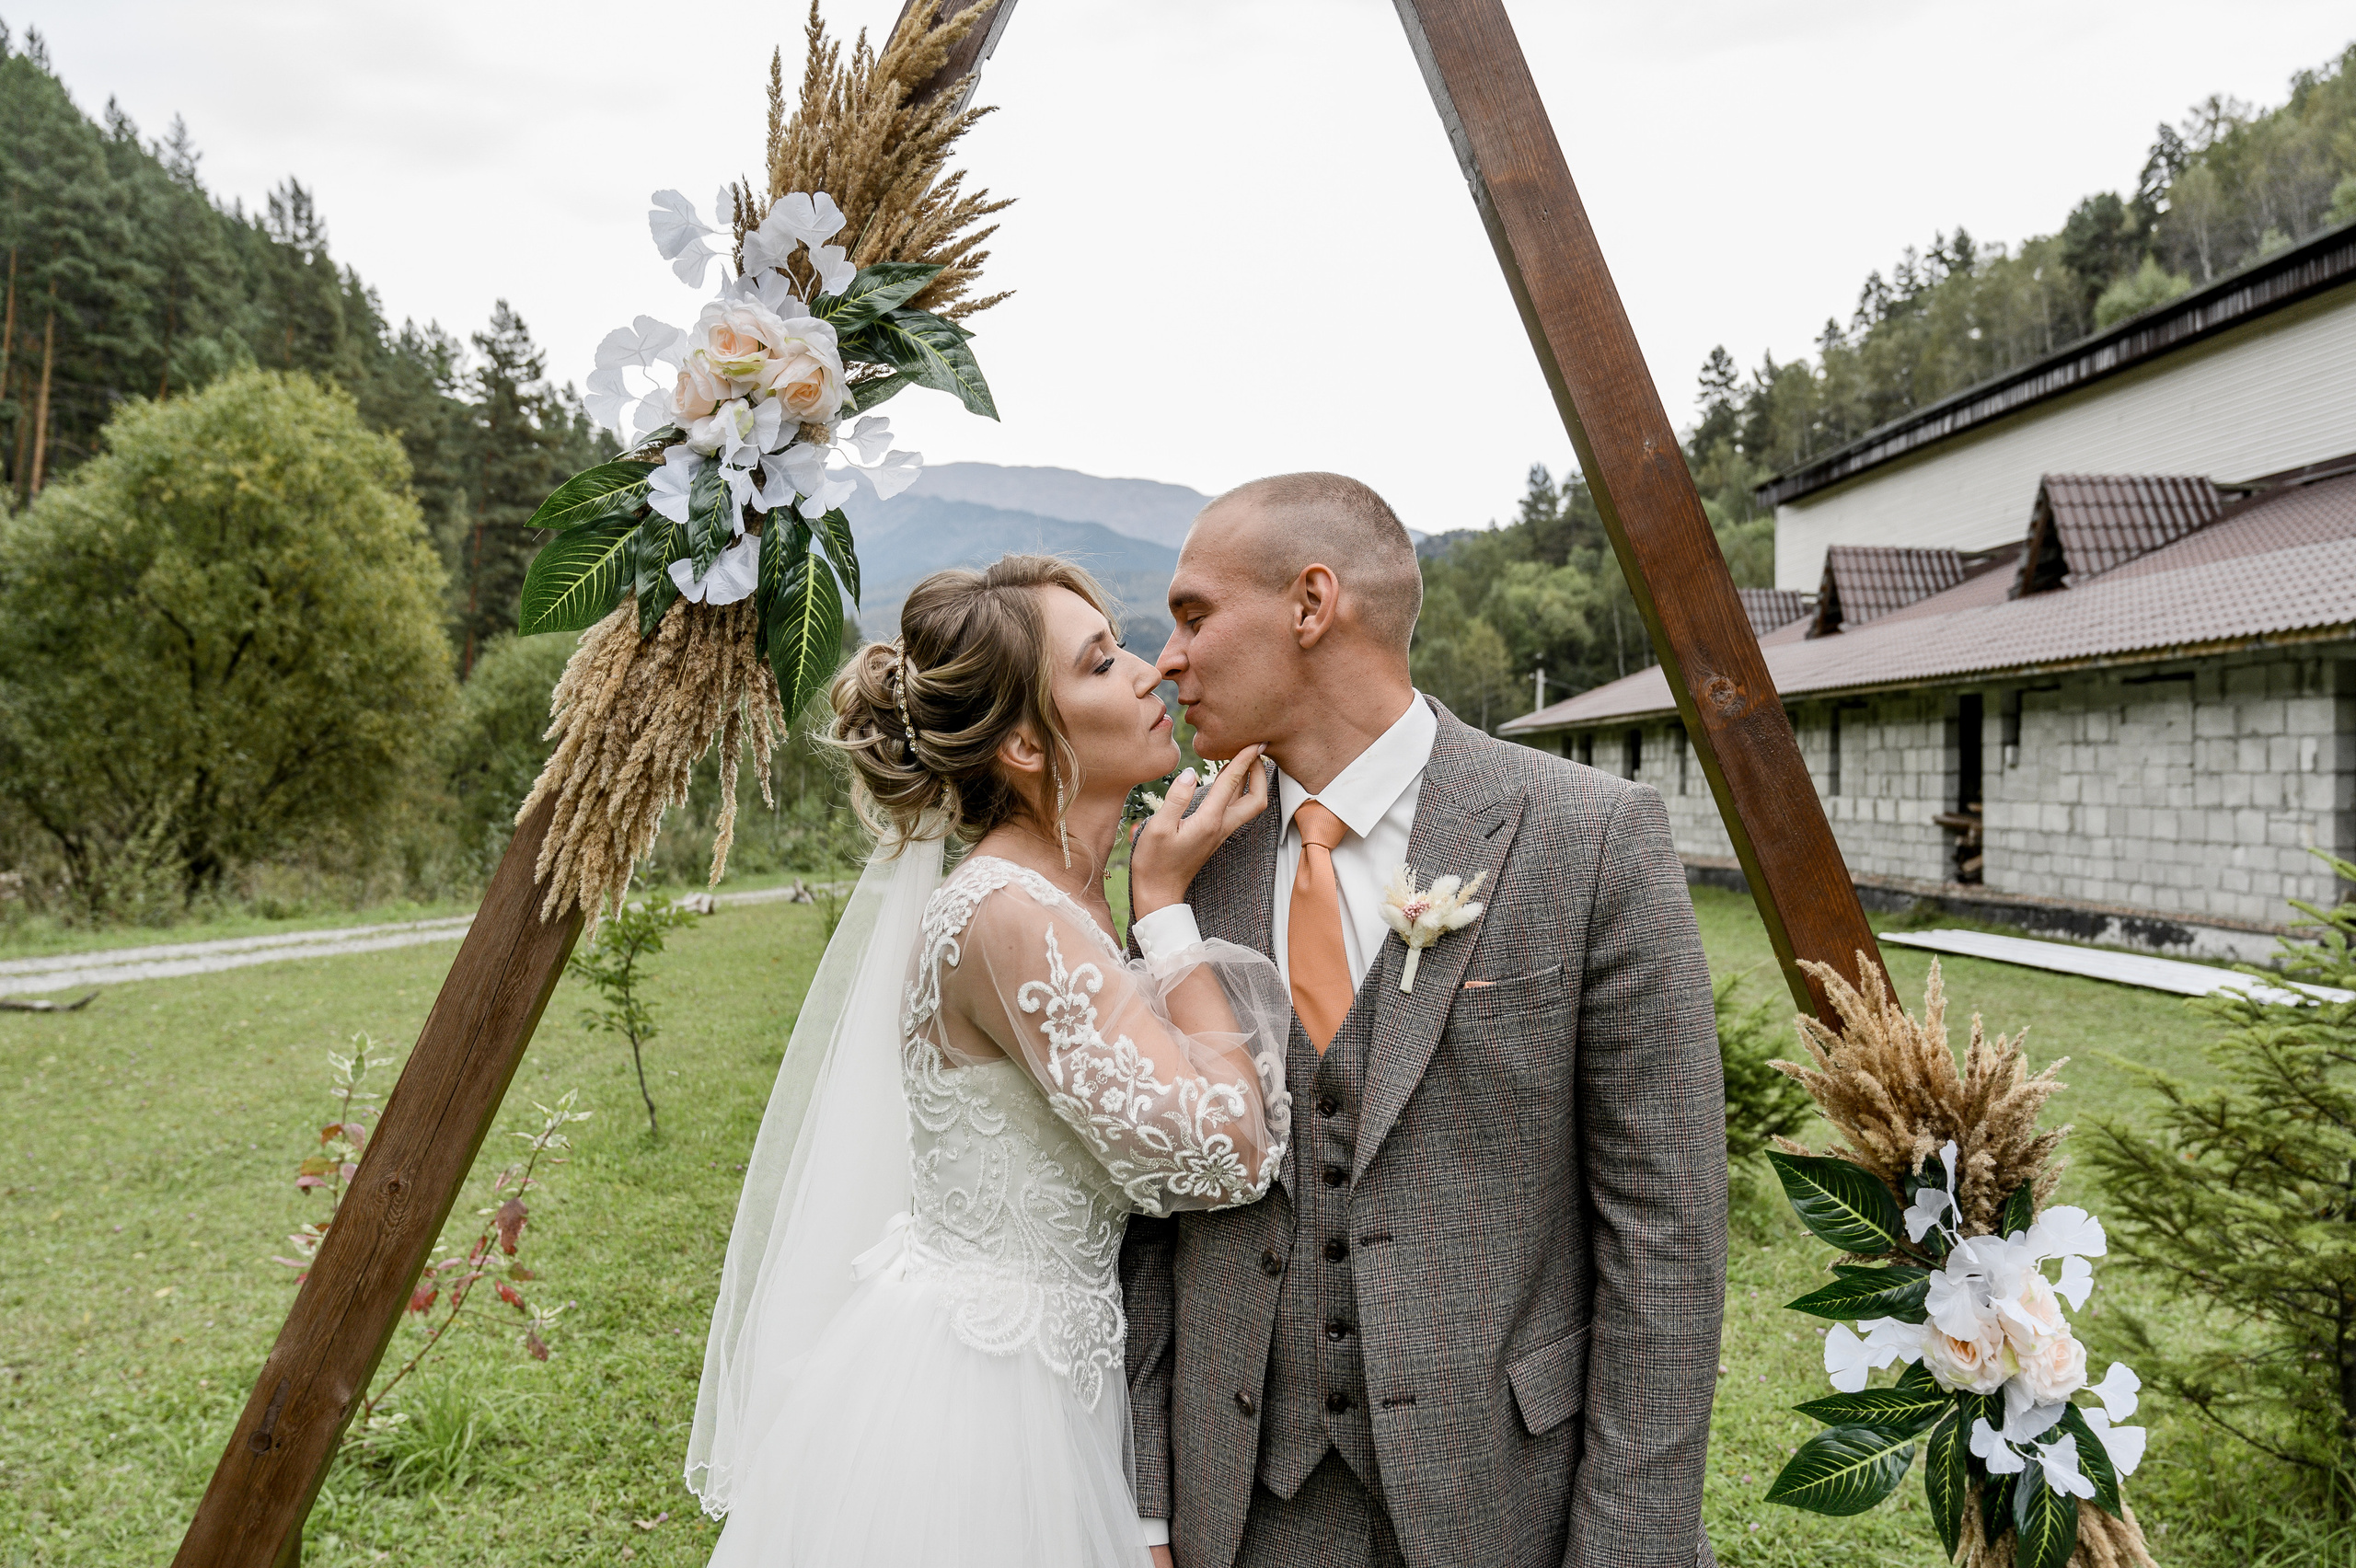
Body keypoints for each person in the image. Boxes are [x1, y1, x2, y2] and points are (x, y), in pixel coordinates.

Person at [1121, 473, 1726, 1568]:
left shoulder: (1589, 838)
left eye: (1193, 615)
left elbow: (1666, 1236)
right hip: (1240, 1509)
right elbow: (1151, 1220)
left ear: (1312, 605)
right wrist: (1149, 1505)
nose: (1165, 658)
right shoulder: (1182, 874)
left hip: (1501, 1501)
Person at [687, 555, 1294, 1567]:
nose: (1148, 672)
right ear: (1021, 741)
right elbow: (1227, 1152)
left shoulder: (1043, 897)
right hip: (986, 1403)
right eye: (1101, 664)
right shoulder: (1011, 917)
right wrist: (1171, 921)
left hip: (1045, 1370)